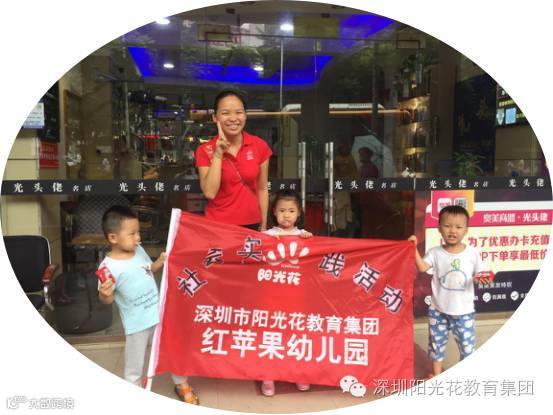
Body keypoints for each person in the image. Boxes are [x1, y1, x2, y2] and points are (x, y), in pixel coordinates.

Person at [97, 206, 199, 404]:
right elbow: (107, 300)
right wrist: (104, 294)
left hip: (158, 315)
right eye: (132, 234)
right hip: (137, 325)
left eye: (138, 232)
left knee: (172, 351)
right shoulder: (108, 268)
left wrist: (160, 261)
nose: (138, 238)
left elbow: (149, 269)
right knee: (135, 365)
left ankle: (181, 383)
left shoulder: (139, 250)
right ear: (113, 238)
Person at [408, 205, 492, 378]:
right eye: (447, 226)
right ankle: (436, 374)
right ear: (439, 228)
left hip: (464, 312)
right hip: (438, 311)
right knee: (436, 345)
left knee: (467, 348)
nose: (453, 230)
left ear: (466, 230)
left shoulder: (472, 254)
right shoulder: (435, 253)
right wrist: (413, 248)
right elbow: (423, 267)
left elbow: (483, 274)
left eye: (458, 227)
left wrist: (485, 278)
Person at [260, 190, 313, 396]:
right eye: (282, 210)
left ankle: (298, 373)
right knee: (271, 336)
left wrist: (309, 239)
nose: (286, 215)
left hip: (296, 298)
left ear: (298, 213)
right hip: (271, 298)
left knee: (296, 335)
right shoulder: (267, 236)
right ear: (274, 212)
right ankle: (268, 377)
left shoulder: (304, 235)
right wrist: (264, 239)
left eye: (291, 211)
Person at [195, 90, 272, 231]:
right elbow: (210, 192)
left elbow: (262, 188)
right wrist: (218, 154)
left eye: (239, 112)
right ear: (215, 117)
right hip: (219, 227)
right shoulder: (205, 150)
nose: (233, 118)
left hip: (252, 225)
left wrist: (264, 226)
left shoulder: (259, 146)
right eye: (225, 113)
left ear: (245, 115)